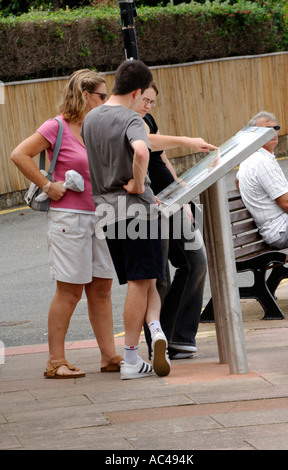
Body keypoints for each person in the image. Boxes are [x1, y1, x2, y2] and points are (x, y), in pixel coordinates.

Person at [11, 69, 122, 378]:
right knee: (70, 291)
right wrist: (48, 186)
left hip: (101, 215)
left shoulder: (98, 127)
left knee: (101, 289)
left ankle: (109, 356)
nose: (106, 100)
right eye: (102, 95)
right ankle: (55, 361)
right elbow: (19, 154)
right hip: (69, 218)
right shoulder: (56, 126)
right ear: (86, 96)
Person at [82, 60, 173, 380]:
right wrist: (136, 183)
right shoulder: (131, 118)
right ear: (137, 92)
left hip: (106, 211)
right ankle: (133, 359)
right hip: (137, 209)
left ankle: (156, 329)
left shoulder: (91, 118)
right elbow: (143, 152)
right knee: (141, 282)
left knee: (143, 279)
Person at [133, 82, 211, 360]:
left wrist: (183, 193)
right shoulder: (126, 122)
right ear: (132, 94)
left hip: (171, 201)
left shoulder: (148, 119)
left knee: (196, 261)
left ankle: (179, 336)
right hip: (149, 206)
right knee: (159, 277)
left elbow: (163, 159)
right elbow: (147, 142)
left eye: (152, 102)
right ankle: (159, 339)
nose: (148, 106)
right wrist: (188, 140)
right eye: (145, 100)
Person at [236, 111, 288, 250]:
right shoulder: (262, 162)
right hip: (281, 230)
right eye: (266, 130)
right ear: (254, 134)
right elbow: (287, 203)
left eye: (275, 128)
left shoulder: (251, 157)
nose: (273, 132)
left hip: (281, 226)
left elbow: (237, 179)